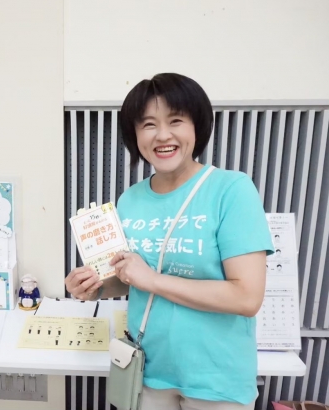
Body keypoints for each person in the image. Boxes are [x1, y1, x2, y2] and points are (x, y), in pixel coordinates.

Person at [65, 73, 273, 409]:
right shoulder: (130, 199)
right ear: (135, 135)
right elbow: (131, 278)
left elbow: (246, 297)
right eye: (148, 124)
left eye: (175, 120)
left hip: (217, 380)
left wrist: (153, 280)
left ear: (197, 126)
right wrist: (97, 287)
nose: (162, 135)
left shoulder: (231, 190)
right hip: (148, 371)